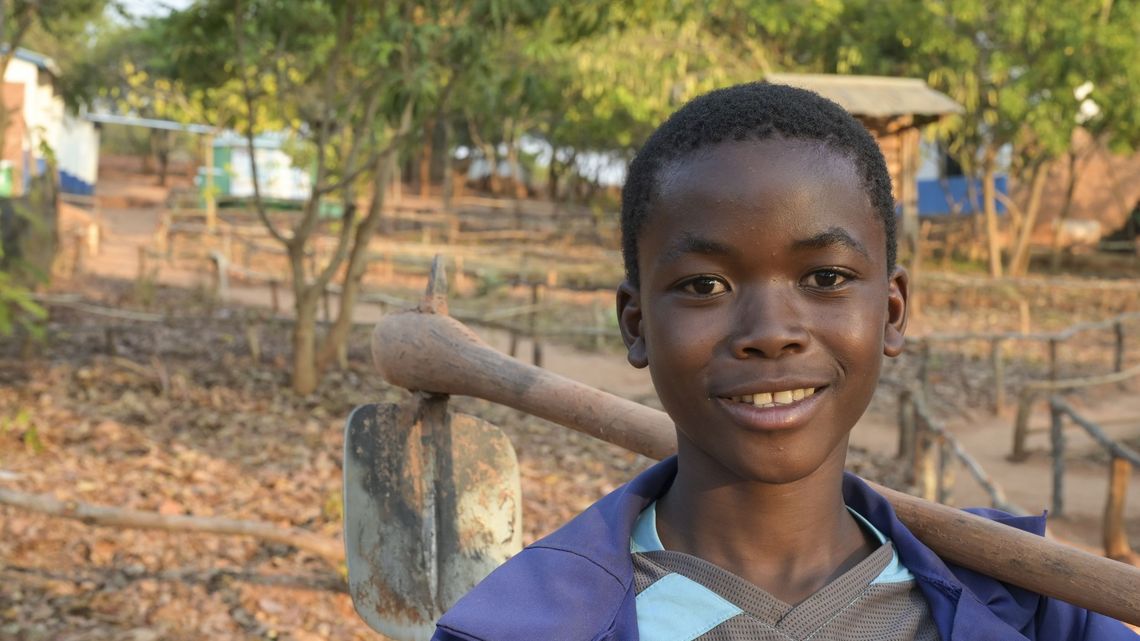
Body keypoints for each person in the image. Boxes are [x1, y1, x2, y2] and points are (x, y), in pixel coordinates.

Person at [429, 83, 1139, 640]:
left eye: (825, 277)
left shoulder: (1038, 611)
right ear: (636, 323)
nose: (771, 332)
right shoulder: (520, 626)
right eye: (705, 285)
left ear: (891, 311)